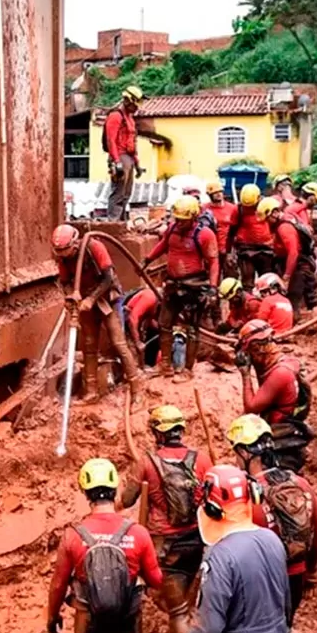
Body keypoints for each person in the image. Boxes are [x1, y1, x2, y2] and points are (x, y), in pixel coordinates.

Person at [171, 465, 293, 633]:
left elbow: (209, 629)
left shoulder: (221, 557)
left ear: (212, 509)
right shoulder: (272, 541)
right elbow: (285, 605)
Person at [48, 458, 164, 633]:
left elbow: (58, 584)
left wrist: (52, 616)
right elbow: (157, 581)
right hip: (128, 622)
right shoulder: (138, 533)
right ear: (114, 491)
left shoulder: (73, 536)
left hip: (89, 621)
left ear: (86, 493)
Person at [119, 406, 213, 633]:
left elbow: (128, 500)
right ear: (180, 430)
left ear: (158, 433)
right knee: (188, 596)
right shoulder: (202, 459)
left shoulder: (147, 463)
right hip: (197, 539)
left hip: (164, 544)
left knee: (177, 610)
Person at [225, 415, 317, 622]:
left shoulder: (246, 495)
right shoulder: (301, 484)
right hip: (295, 577)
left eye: (236, 453)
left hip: (263, 582)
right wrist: (311, 570)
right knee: (284, 628)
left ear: (244, 452)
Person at [53, 224, 143, 401]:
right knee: (89, 345)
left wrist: (91, 299)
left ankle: (136, 391)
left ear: (75, 243)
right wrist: (70, 295)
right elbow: (64, 282)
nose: (62, 254)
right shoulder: (63, 259)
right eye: (59, 251)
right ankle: (91, 392)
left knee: (118, 343)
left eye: (65, 250)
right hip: (85, 301)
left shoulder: (94, 247)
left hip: (108, 298)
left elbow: (109, 278)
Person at [144, 195, 220, 380]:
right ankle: (166, 365)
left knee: (191, 328)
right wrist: (147, 260)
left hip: (193, 286)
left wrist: (212, 288)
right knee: (164, 324)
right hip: (173, 284)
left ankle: (187, 370)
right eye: (177, 219)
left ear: (193, 217)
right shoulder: (172, 229)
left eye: (183, 220)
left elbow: (213, 261)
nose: (179, 223)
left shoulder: (204, 234)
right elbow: (162, 246)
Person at [235, 319, 312, 471]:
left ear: (257, 347)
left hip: (281, 434)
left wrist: (245, 374)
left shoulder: (280, 374)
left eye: (249, 352)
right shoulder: (288, 362)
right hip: (288, 428)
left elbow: (251, 407)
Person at [264, 198, 317, 320]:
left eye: (268, 219)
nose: (267, 223)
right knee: (306, 294)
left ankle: (293, 324)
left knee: (293, 296)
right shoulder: (289, 217)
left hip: (298, 265)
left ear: (274, 213)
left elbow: (293, 252)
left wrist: (287, 276)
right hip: (300, 263)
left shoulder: (283, 228)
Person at [105, 86, 144, 221]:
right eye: (135, 104)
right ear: (128, 101)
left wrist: (137, 163)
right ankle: (113, 222)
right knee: (118, 193)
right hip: (120, 156)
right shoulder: (115, 116)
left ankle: (121, 222)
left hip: (129, 157)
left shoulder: (130, 118)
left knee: (126, 193)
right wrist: (116, 162)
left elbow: (132, 142)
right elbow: (111, 140)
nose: (137, 107)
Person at [227, 184, 275, 285]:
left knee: (267, 281)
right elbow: (231, 232)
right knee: (247, 281)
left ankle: (267, 300)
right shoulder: (238, 209)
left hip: (266, 250)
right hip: (246, 250)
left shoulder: (268, 207)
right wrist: (228, 253)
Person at [122, 287, 161, 369]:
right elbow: (132, 318)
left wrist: (162, 329)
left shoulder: (155, 305)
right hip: (125, 318)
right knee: (132, 345)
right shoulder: (150, 298)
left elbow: (150, 321)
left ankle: (141, 367)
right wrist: (137, 341)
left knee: (141, 342)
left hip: (135, 321)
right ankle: (134, 370)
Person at [204, 181, 237, 252]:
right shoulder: (204, 209)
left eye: (220, 191)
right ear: (209, 194)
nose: (218, 194)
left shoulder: (232, 208)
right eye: (215, 192)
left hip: (227, 249)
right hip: (210, 249)